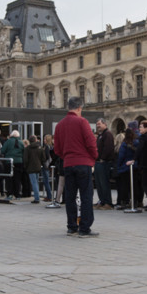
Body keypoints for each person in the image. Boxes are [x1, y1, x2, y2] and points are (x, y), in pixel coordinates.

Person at [53, 97, 99, 236]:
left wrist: (67, 156)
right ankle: (84, 228)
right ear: (79, 108)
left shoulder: (60, 125)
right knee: (86, 195)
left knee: (70, 196)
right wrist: (94, 156)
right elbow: (91, 142)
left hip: (68, 164)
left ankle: (72, 226)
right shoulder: (82, 121)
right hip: (83, 163)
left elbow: (57, 149)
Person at [115, 127, 140, 209]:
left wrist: (118, 166)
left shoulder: (124, 143)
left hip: (125, 167)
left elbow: (121, 156)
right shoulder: (136, 142)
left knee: (124, 186)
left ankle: (124, 202)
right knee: (134, 185)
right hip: (134, 166)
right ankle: (135, 201)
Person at [93, 118, 115, 209]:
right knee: (98, 184)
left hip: (104, 163)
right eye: (97, 124)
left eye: (99, 124)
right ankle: (102, 201)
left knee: (104, 183)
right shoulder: (101, 135)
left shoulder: (108, 134)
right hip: (98, 162)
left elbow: (108, 148)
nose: (98, 126)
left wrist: (102, 158)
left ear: (105, 124)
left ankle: (108, 202)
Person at [1, 130, 25, 199]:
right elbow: (24, 151)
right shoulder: (21, 142)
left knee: (9, 179)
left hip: (9, 162)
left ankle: (10, 194)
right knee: (17, 179)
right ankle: (17, 194)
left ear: (11, 135)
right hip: (19, 162)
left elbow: (2, 150)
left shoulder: (8, 141)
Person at [24, 135, 44, 203]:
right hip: (38, 167)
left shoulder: (27, 148)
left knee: (34, 183)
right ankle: (37, 196)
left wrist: (25, 167)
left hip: (30, 167)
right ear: (36, 140)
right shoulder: (40, 148)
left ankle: (37, 198)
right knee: (36, 182)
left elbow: (25, 159)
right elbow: (43, 158)